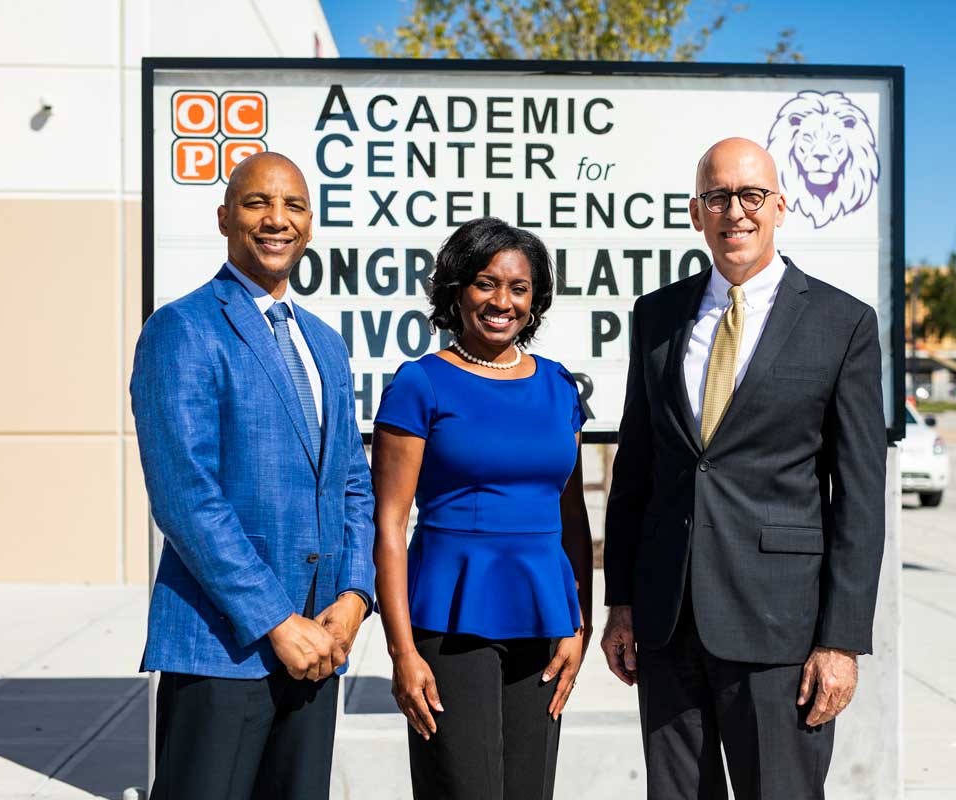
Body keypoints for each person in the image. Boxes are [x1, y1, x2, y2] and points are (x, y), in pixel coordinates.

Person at [600, 137, 886, 799]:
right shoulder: (657, 317)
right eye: (718, 196)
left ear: (781, 206)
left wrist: (841, 641)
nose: (737, 211)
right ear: (696, 212)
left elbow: (860, 499)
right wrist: (621, 603)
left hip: (781, 631)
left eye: (752, 195)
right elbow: (636, 469)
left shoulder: (843, 324)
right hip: (667, 624)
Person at [130, 151, 375, 800]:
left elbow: (353, 482)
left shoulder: (323, 341)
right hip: (223, 648)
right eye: (257, 203)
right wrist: (276, 621)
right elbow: (186, 497)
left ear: (311, 224)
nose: (277, 219)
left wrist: (353, 599)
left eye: (293, 205)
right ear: (224, 217)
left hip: (320, 646)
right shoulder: (181, 328)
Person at [371, 216, 593, 800]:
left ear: (535, 299)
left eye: (518, 288)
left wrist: (579, 626)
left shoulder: (560, 388)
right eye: (485, 283)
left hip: (544, 621)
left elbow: (572, 520)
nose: (502, 301)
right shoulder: (419, 384)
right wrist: (401, 651)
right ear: (455, 292)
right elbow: (390, 525)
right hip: (448, 626)